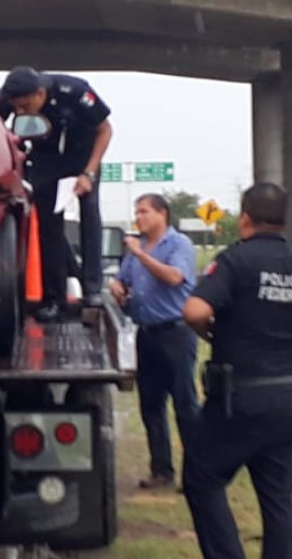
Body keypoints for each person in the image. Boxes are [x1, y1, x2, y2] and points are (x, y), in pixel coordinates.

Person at [181, 183, 292, 559]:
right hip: (290, 402)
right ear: (283, 220)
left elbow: (194, 311)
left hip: (239, 401)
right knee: (277, 498)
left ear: (244, 218)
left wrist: (206, 330)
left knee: (202, 478)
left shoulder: (234, 261)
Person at [0, 66, 114, 321]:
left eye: (26, 107)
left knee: (90, 216)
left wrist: (89, 174)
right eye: (16, 108)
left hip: (82, 158)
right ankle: (54, 299)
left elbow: (105, 130)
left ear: (40, 93)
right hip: (45, 160)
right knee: (48, 228)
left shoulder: (75, 91)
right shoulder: (9, 97)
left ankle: (92, 290)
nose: (20, 112)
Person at [109, 193, 200, 490]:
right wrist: (118, 286)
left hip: (176, 332)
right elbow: (123, 279)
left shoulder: (178, 245)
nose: (139, 217)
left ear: (163, 214)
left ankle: (197, 474)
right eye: (137, 212)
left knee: (185, 405)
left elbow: (175, 278)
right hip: (146, 333)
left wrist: (141, 255)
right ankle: (161, 470)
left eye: (145, 211)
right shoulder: (136, 249)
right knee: (151, 406)